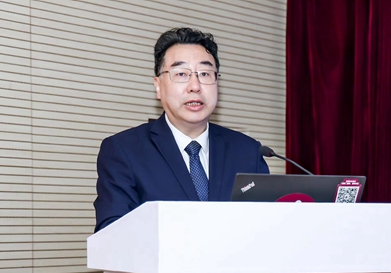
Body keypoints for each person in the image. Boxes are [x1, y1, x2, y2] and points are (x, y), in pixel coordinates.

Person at [93, 27, 270, 232]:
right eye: (181, 74)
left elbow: (269, 227)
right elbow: (112, 233)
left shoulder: (248, 151)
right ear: (158, 86)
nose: (195, 86)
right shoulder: (124, 151)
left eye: (205, 73)